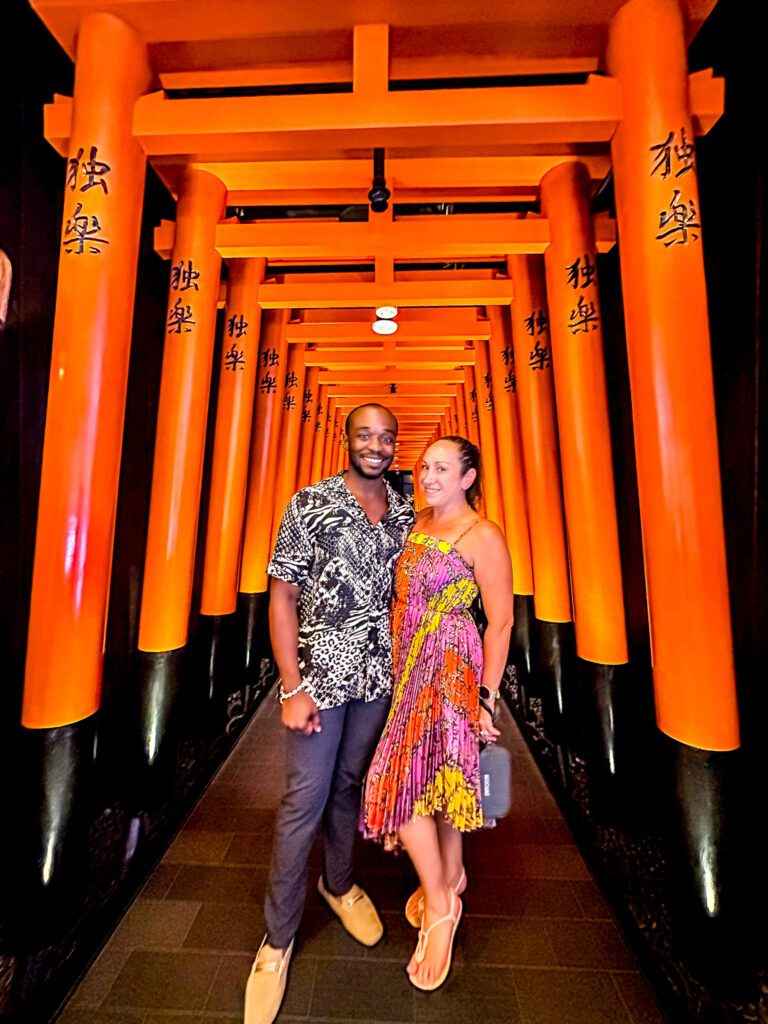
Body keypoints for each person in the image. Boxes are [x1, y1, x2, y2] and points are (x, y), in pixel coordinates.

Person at [244, 404, 414, 1024]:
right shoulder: (309, 504)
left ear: (396, 446)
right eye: (365, 434)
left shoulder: (402, 514)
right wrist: (290, 687)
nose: (376, 445)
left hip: (377, 677)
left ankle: (337, 884)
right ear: (346, 440)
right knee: (303, 800)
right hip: (318, 680)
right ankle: (277, 940)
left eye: (386, 436)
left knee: (349, 784)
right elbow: (281, 594)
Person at [362, 435, 514, 992]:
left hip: (451, 668)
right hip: (408, 663)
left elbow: (499, 623)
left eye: (442, 468)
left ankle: (443, 909)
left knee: (400, 787)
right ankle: (447, 877)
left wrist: (485, 696)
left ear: (469, 477)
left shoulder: (483, 535)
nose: (428, 476)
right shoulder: (417, 523)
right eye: (425, 466)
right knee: (438, 783)